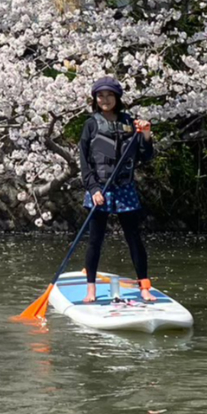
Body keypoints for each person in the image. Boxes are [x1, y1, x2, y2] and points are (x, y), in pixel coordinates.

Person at [78, 76, 156, 303]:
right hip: (99, 189)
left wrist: (146, 133)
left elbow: (145, 155)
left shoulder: (130, 123)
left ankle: (144, 287)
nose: (105, 99)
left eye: (109, 95)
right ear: (95, 99)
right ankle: (90, 289)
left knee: (134, 238)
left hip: (124, 188)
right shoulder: (91, 124)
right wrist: (93, 189)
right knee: (95, 240)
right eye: (100, 96)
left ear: (117, 98)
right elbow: (84, 161)